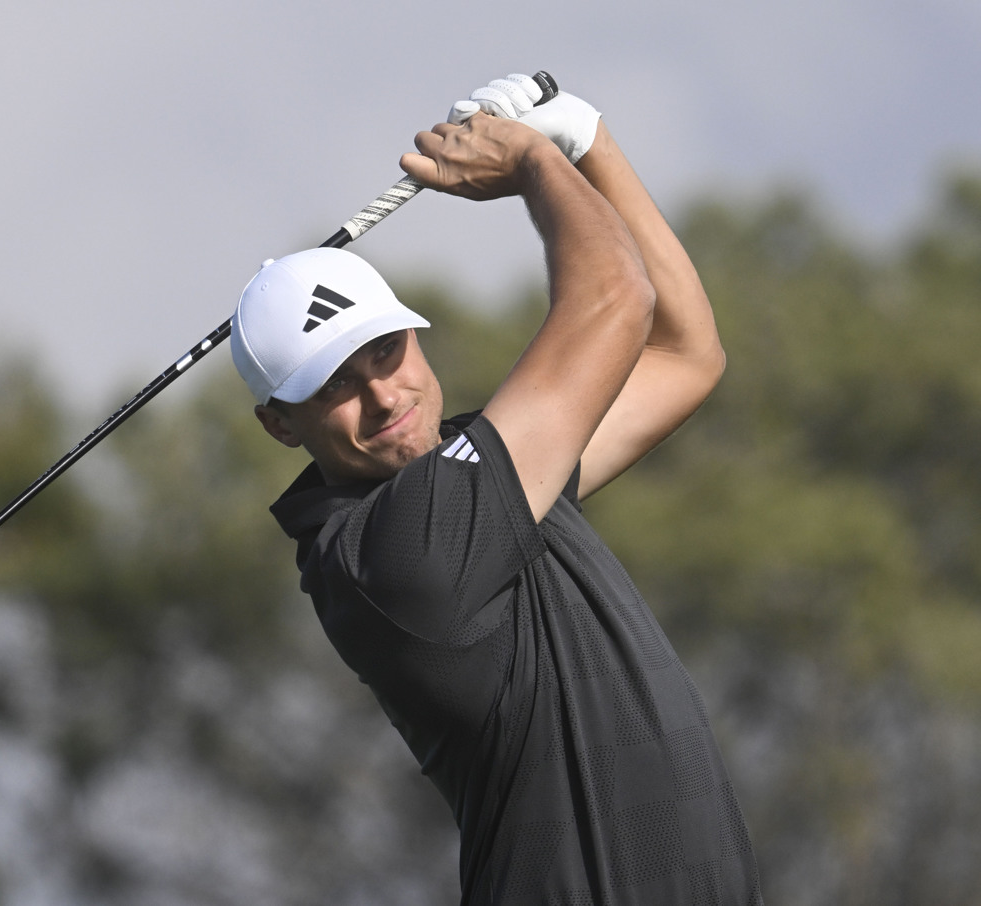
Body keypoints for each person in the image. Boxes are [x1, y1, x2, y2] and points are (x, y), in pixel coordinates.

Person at [230, 72, 761, 905]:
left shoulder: (482, 478)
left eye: (386, 352)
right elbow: (615, 298)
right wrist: (534, 166)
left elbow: (684, 356)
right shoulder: (391, 553)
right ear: (281, 425)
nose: (384, 396)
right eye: (336, 385)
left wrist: (590, 145)